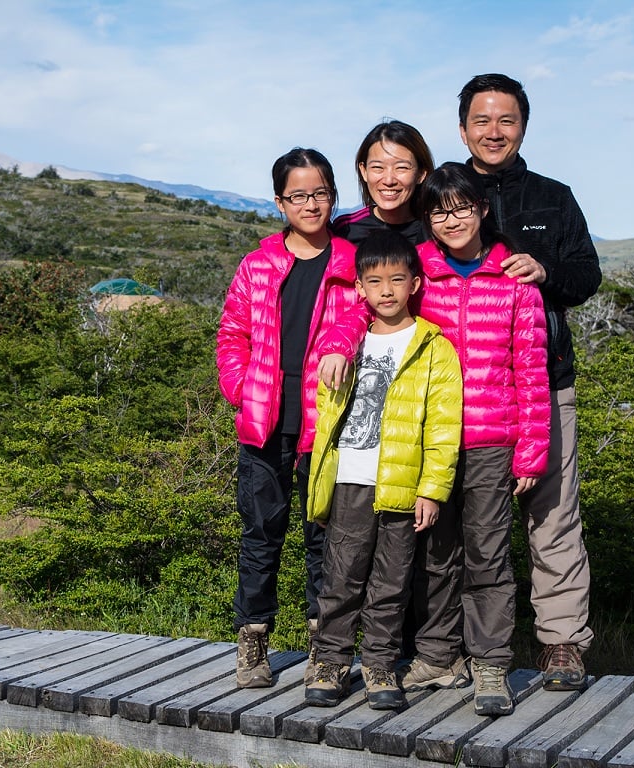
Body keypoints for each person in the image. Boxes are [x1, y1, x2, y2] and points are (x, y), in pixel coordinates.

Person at [321, 162, 551, 715]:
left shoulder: (515, 281)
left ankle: (491, 665)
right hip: (426, 443)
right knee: (435, 555)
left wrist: (532, 448)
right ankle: (437, 655)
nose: (451, 219)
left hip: (494, 439)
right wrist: (337, 343)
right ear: (428, 219)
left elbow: (533, 369)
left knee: (488, 556)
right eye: (440, 211)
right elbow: (364, 309)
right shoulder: (416, 271)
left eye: (462, 208)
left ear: (482, 210)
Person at [458, 73, 602, 691]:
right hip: (460, 391)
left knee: (553, 515)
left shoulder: (554, 197)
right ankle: (452, 646)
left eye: (506, 120)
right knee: (457, 520)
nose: (495, 132)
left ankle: (563, 644)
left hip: (547, 380)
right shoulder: (441, 191)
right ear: (463, 127)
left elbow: (586, 276)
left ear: (523, 126)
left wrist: (545, 270)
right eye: (482, 120)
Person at [216, 147, 361, 688]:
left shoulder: (351, 262)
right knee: (261, 534)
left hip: (329, 424)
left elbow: (365, 321)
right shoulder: (258, 265)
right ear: (280, 202)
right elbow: (231, 334)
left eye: (320, 193)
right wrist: (241, 388)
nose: (311, 204)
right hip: (265, 422)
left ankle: (325, 648)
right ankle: (253, 643)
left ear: (333, 196)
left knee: (326, 538)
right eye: (298, 195)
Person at [302, 230, 462, 710]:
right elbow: (325, 419)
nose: (387, 290)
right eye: (375, 281)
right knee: (340, 578)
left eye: (397, 279)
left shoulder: (435, 348)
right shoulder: (345, 344)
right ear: (360, 288)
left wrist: (432, 491)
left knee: (391, 584)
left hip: (402, 485)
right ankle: (328, 661)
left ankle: (378, 665)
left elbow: (443, 427)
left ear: (415, 282)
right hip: (350, 479)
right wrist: (321, 489)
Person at [332, 120, 435, 247]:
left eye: (401, 167)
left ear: (421, 174)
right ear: (364, 171)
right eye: (378, 167)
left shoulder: (435, 229)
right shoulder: (345, 229)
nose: (389, 180)